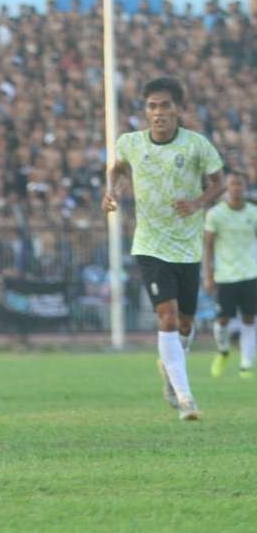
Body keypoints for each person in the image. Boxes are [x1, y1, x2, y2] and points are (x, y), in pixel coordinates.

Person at [102, 77, 225, 421]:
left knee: (185, 324)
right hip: (150, 243)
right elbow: (117, 169)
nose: (158, 113)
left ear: (178, 109)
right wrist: (112, 190)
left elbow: (219, 182)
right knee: (167, 316)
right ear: (145, 111)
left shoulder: (196, 145)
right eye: (152, 106)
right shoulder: (131, 143)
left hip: (187, 247)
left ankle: (170, 370)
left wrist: (198, 202)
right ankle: (186, 398)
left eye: (165, 106)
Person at [204, 170, 257, 379]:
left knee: (249, 319)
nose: (236, 188)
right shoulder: (215, 214)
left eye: (240, 185)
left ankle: (246, 364)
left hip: (250, 273)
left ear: (245, 187)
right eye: (232, 184)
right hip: (225, 276)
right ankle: (223, 351)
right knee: (223, 320)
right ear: (227, 188)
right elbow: (208, 247)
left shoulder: (253, 213)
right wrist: (208, 275)